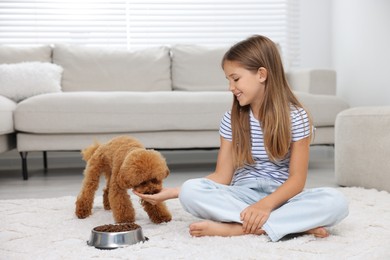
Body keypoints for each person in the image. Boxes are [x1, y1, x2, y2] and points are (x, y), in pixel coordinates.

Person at [134, 35, 349, 242]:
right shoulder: (231, 119)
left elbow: (297, 180)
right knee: (191, 191)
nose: (231, 87)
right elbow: (222, 175)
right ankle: (291, 226)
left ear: (262, 74)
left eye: (235, 79)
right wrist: (173, 192)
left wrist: (265, 206)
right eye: (228, 80)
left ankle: (236, 229)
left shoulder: (297, 117)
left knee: (336, 202)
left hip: (282, 198)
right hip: (242, 194)